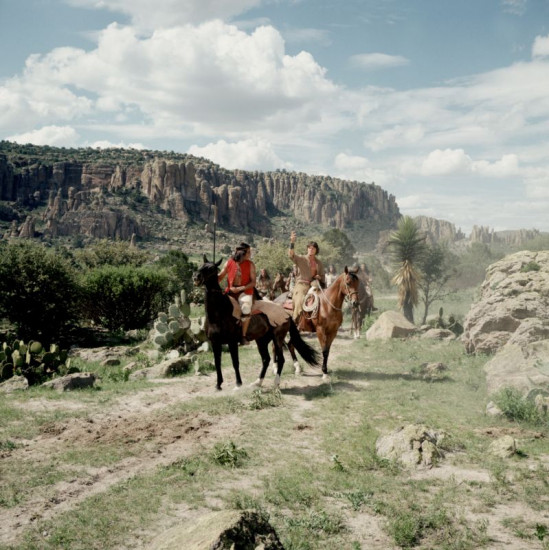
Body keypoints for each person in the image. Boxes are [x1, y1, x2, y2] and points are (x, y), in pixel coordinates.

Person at [218, 242, 256, 342]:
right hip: (229, 292)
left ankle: (243, 336)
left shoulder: (250, 264)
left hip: (245, 292)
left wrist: (240, 288)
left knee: (246, 308)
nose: (250, 254)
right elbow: (220, 277)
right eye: (248, 252)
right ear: (242, 253)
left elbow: (253, 282)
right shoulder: (229, 263)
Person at [288, 230, 325, 322]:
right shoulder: (301, 259)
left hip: (314, 285)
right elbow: (291, 255)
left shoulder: (319, 263)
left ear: (316, 250)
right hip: (301, 285)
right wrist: (292, 242)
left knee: (324, 300)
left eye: (313, 248)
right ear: (307, 249)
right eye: (309, 248)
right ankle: (295, 320)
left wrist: (319, 277)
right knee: (300, 300)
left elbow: (322, 276)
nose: (311, 249)